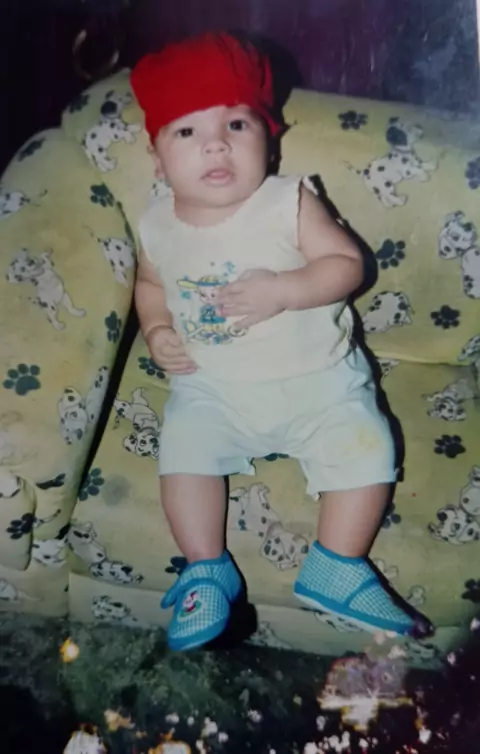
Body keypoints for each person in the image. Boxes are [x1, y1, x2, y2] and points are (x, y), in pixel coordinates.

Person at [131, 31, 431, 651]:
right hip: (213, 389)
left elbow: (347, 265)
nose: (216, 143)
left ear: (268, 141)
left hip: (319, 382)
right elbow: (150, 284)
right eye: (187, 130)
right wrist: (157, 327)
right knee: (183, 451)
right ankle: (206, 568)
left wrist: (286, 290)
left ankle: (336, 563)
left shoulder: (285, 202)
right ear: (157, 158)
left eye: (237, 124)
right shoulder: (156, 223)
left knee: (367, 446)